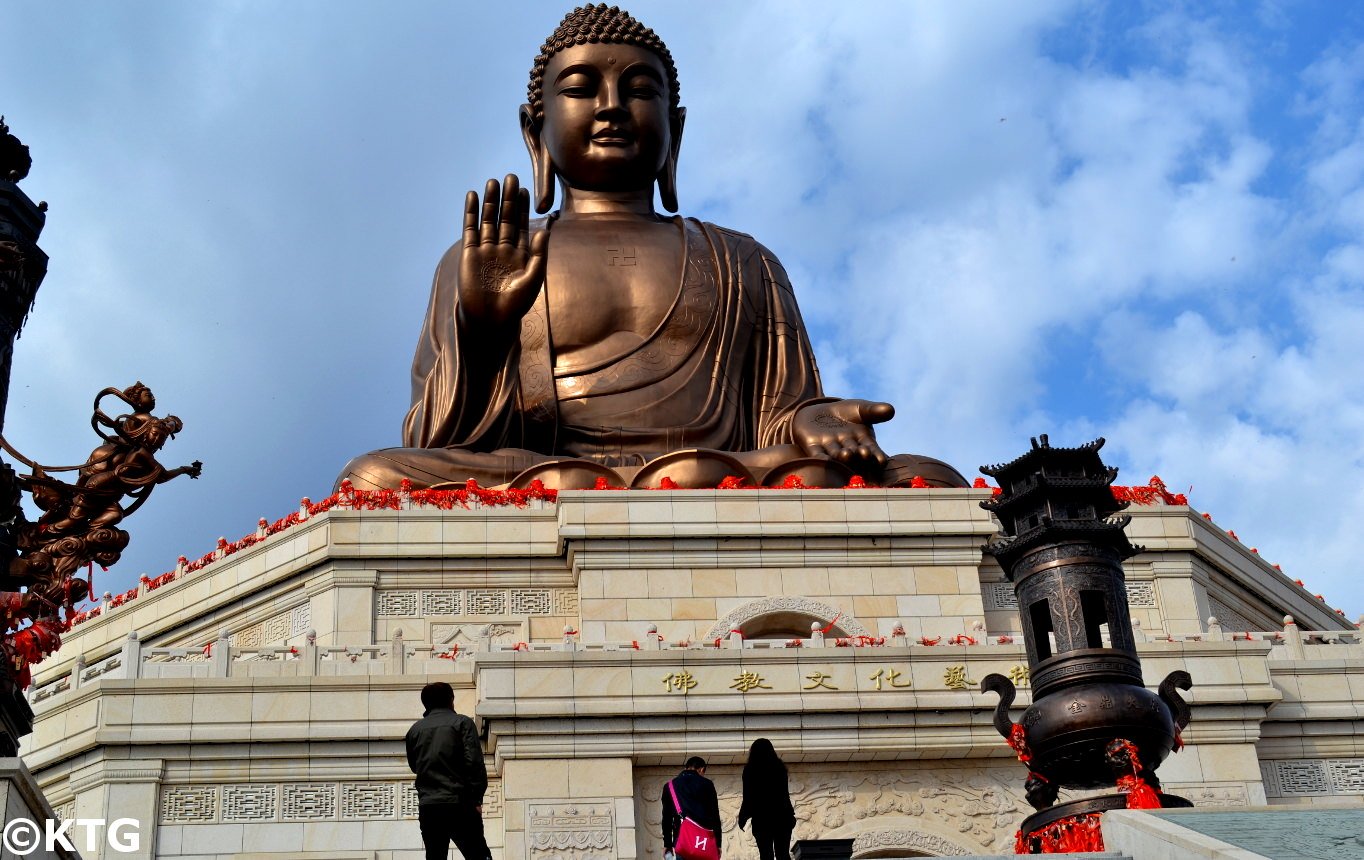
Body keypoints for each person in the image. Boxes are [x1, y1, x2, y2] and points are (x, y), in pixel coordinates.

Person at [338, 4, 965, 492]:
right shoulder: (492, 255)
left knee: (925, 479)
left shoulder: (741, 259)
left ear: (677, 127)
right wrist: (481, 334)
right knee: (373, 476)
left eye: (640, 89)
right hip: (549, 471)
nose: (612, 107)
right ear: (536, 131)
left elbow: (778, 412)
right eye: (581, 88)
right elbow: (434, 436)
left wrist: (811, 422)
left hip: (725, 469)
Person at [405, 681, 491, 860]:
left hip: (429, 807)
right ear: (451, 700)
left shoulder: (414, 731)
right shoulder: (462, 723)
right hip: (460, 803)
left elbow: (415, 766)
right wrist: (476, 798)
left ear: (425, 703)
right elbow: (474, 763)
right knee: (479, 855)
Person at [737, 738, 797, 860]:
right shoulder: (779, 767)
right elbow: (784, 794)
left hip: (762, 818)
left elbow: (748, 796)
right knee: (783, 854)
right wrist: (790, 815)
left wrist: (743, 816)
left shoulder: (750, 769)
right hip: (782, 817)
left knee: (766, 854)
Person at [661, 756, 721, 859]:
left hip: (682, 840)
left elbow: (667, 819)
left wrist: (668, 844)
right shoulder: (707, 784)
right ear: (701, 769)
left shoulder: (670, 786)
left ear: (686, 768)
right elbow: (715, 816)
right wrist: (718, 844)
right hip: (704, 842)